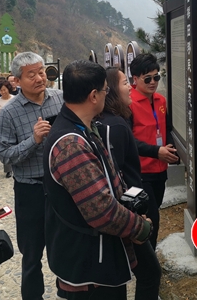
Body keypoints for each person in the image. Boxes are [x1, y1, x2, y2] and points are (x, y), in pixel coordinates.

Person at [43, 60, 152, 300]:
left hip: (96, 255)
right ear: (93, 96)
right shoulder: (70, 144)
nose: (106, 94)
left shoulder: (84, 127)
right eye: (105, 89)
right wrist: (140, 228)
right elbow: (101, 210)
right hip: (88, 264)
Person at [0, 52, 64, 300]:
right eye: (31, 74)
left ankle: (68, 293)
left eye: (41, 72)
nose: (39, 78)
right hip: (30, 191)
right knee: (32, 255)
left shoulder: (60, 99)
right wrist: (33, 140)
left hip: (60, 187)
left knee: (64, 248)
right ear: (16, 80)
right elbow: (4, 155)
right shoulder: (9, 113)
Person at [97, 67, 161, 300]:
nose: (129, 88)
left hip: (126, 210)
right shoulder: (114, 126)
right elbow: (116, 173)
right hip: (127, 212)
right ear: (111, 90)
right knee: (150, 272)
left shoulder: (113, 121)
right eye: (125, 83)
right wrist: (133, 215)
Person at [129, 53, 179, 250]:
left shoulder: (161, 101)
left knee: (154, 209)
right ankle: (148, 260)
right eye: (147, 78)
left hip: (160, 170)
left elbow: (167, 130)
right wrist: (156, 151)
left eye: (156, 77)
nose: (153, 82)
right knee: (152, 219)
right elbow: (128, 142)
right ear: (135, 79)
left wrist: (172, 151)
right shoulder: (129, 104)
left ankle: (145, 255)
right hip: (141, 173)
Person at [0, 79, 14, 178]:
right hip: (3, 127)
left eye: (4, 89)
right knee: (6, 148)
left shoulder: (14, 99)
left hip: (14, 126)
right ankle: (8, 169)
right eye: (1, 90)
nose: (3, 92)